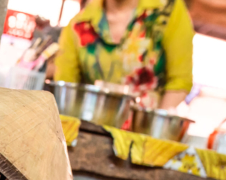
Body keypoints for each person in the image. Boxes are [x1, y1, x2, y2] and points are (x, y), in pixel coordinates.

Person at [54, 0, 194, 109]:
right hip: (91, 130)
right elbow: (65, 89)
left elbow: (180, 80)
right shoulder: (77, 25)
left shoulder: (166, 11)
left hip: (144, 134)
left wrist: (155, 130)